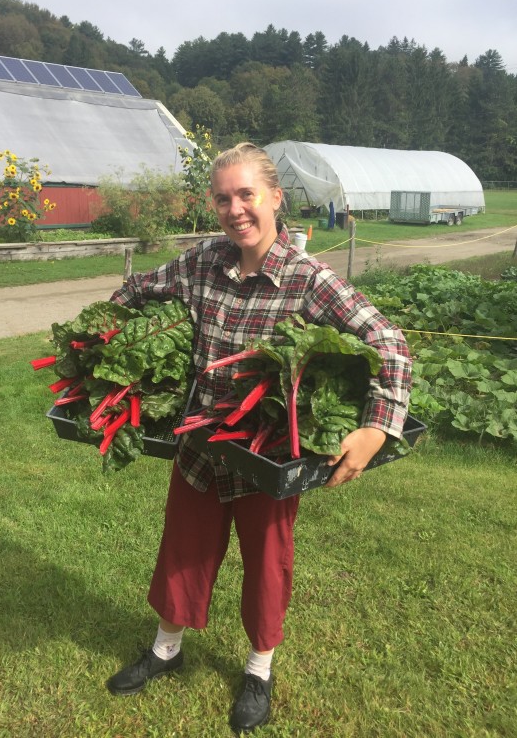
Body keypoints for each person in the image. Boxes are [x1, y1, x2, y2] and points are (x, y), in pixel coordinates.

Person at [105, 142, 412, 733]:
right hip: (200, 445)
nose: (234, 209)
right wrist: (107, 343)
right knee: (183, 548)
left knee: (268, 563)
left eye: (246, 194)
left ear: (275, 197)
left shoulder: (308, 280)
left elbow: (388, 341)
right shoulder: (201, 263)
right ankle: (165, 649)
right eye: (223, 198)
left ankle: (258, 670)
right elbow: (138, 291)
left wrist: (378, 425)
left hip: (268, 455)